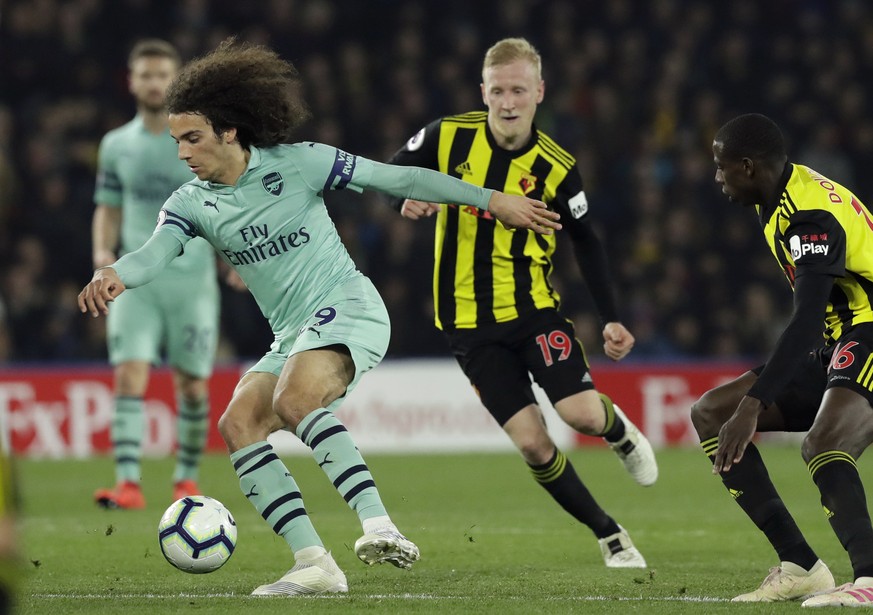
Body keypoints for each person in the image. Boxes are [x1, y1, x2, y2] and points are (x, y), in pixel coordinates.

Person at [77, 38, 561, 596]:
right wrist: (116, 271)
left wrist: (489, 199)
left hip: (349, 305)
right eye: (176, 140)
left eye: (192, 138)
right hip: (294, 333)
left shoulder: (301, 163)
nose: (182, 152)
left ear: (230, 130)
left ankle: (381, 527)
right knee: (238, 425)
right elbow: (155, 252)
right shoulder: (190, 202)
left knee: (294, 399)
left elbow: (401, 179)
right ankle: (314, 564)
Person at [385, 37, 657, 568]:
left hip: (533, 311)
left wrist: (613, 318)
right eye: (498, 90)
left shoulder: (556, 166)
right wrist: (404, 197)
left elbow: (586, 240)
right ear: (482, 92)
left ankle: (619, 431)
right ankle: (609, 534)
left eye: (519, 90)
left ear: (539, 92)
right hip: (466, 326)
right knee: (534, 445)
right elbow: (391, 172)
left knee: (579, 415)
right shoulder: (447, 138)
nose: (508, 102)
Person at [693, 112, 873, 606]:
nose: (717, 176)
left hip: (870, 329)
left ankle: (869, 579)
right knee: (711, 412)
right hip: (845, 337)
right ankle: (800, 566)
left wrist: (755, 403)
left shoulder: (807, 217)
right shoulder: (776, 199)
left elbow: (806, 318)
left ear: (748, 167)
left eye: (721, 166)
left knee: (825, 443)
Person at [91, 39, 223, 510]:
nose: (153, 82)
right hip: (133, 281)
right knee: (129, 375)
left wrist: (236, 259)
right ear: (132, 81)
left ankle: (185, 479)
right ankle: (127, 484)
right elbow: (106, 208)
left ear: (174, 80)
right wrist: (103, 256)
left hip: (192, 280)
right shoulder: (116, 146)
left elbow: (223, 203)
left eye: (161, 74)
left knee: (191, 384)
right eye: (144, 74)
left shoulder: (198, 141)